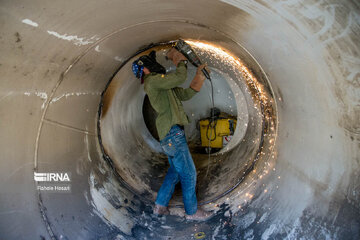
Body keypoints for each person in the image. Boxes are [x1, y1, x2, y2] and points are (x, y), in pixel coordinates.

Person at [132, 48, 213, 221]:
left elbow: (185, 93)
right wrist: (180, 60)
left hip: (170, 134)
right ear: (144, 70)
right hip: (172, 133)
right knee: (189, 173)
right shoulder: (152, 81)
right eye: (148, 64)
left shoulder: (162, 85)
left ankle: (160, 206)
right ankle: (192, 212)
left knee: (175, 172)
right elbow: (179, 77)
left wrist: (200, 77)